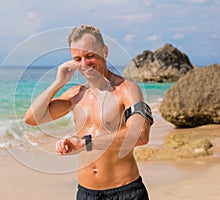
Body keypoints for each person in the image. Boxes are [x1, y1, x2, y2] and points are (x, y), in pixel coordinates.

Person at [24, 25, 153, 200]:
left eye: (90, 55)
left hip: (125, 191)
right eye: (78, 58)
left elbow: (140, 135)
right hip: (86, 193)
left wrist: (85, 143)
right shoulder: (76, 95)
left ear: (104, 51)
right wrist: (58, 83)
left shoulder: (127, 90)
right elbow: (31, 118)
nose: (85, 63)